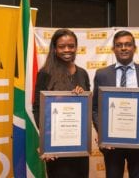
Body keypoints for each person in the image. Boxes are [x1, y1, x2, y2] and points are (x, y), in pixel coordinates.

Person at [92, 30, 139, 178]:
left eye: (128, 44)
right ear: (113, 49)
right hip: (112, 141)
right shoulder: (102, 74)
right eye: (119, 45)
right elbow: (95, 108)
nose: (123, 48)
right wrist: (101, 130)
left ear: (135, 47)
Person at [32, 28, 90, 178]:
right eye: (62, 46)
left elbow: (87, 108)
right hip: (56, 143)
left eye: (71, 46)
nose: (67, 50)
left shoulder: (82, 73)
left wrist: (82, 95)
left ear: (76, 47)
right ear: (55, 49)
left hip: (79, 144)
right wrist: (46, 142)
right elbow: (38, 109)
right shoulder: (45, 73)